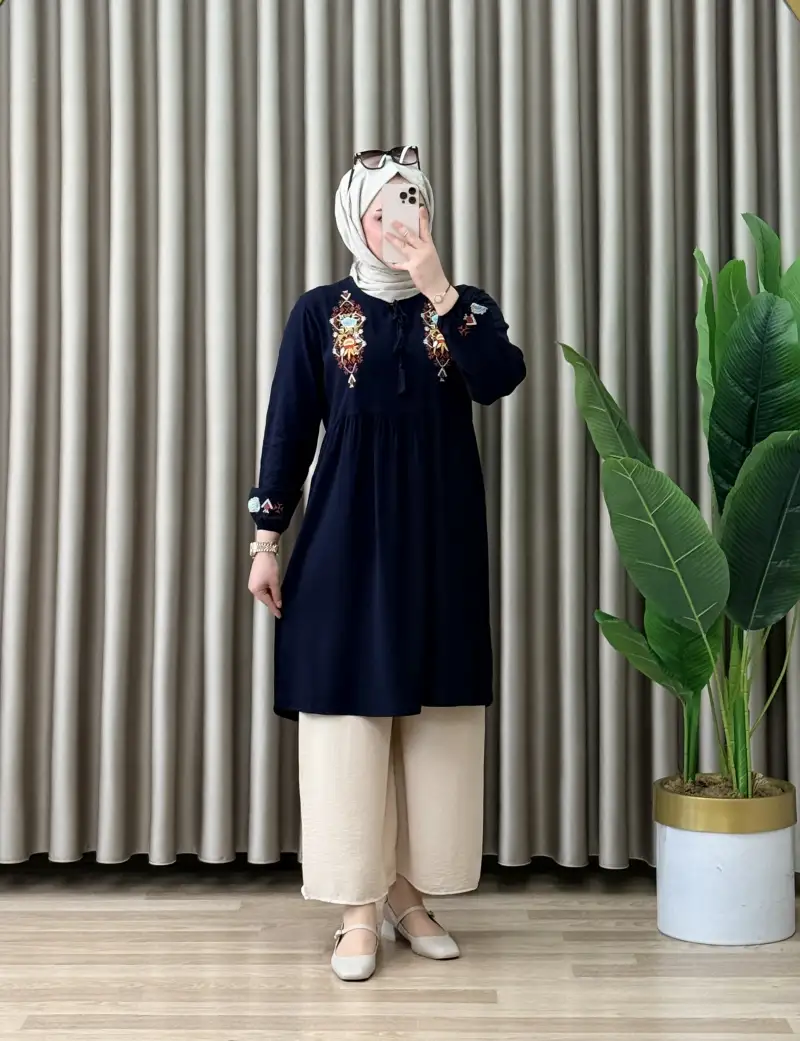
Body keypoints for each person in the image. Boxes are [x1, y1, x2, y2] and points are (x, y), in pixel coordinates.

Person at [247, 146, 525, 981]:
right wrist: (266, 541)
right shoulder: (319, 312)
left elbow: (498, 377)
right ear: (355, 220)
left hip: (440, 543)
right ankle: (356, 911)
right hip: (344, 541)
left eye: (415, 204)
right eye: (384, 209)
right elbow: (289, 426)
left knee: (433, 721)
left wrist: (440, 287)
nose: (402, 222)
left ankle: (410, 894)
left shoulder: (465, 307)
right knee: (350, 722)